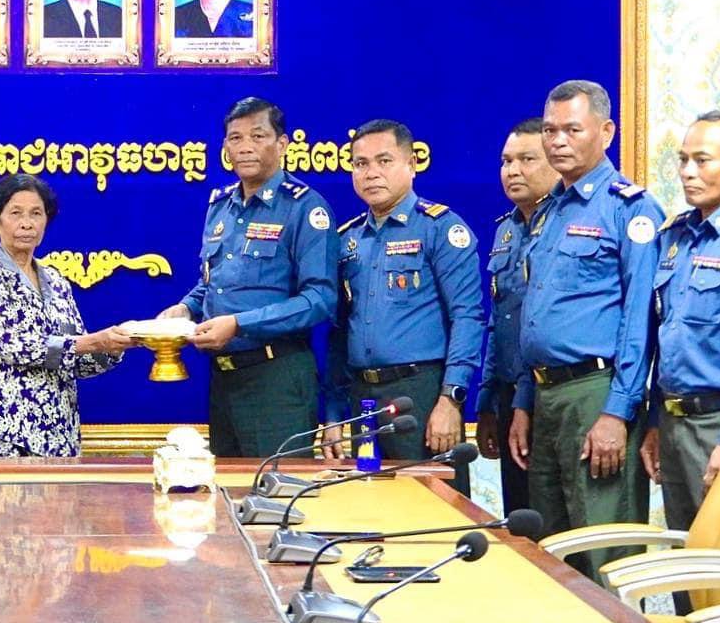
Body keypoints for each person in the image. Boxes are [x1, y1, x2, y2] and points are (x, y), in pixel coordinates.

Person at [507, 80, 660, 580]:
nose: (557, 141)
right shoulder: (548, 210)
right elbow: (534, 315)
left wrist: (617, 412)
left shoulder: (630, 209)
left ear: (606, 131)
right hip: (546, 398)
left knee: (604, 555)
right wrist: (524, 401)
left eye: (572, 129)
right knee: (551, 555)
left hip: (595, 395)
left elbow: (639, 321)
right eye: (550, 130)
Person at [156, 97, 337, 457]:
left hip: (277, 378)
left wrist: (239, 324)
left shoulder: (304, 208)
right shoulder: (220, 206)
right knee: (227, 486)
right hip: (223, 378)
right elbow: (212, 282)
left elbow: (320, 300)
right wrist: (185, 309)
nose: (245, 147)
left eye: (258, 136)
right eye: (235, 138)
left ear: (282, 144)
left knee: (277, 487)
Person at [323, 119, 484, 495]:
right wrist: (332, 415)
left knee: (434, 507)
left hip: (420, 394)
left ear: (411, 165)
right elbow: (338, 333)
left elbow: (467, 316)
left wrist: (451, 399)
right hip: (363, 397)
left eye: (384, 161)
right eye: (361, 164)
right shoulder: (347, 240)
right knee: (370, 502)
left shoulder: (439, 228)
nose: (371, 173)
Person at [0, 174, 131, 456]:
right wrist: (94, 341)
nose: (27, 223)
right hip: (5, 434)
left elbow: (76, 361)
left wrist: (113, 347)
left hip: (59, 435)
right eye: (16, 213)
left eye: (36, 213)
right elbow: (15, 346)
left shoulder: (56, 279)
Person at [641, 111, 720, 560]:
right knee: (684, 560)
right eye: (683, 159)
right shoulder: (674, 237)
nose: (688, 171)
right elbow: (664, 341)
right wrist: (656, 422)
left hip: (715, 423)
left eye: (702, 160)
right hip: (674, 424)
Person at [475, 117, 557, 515]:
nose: (513, 171)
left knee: (551, 518)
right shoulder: (505, 230)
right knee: (519, 516)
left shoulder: (560, 227)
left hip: (548, 391)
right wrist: (487, 400)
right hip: (508, 394)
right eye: (507, 161)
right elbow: (500, 322)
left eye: (527, 159)